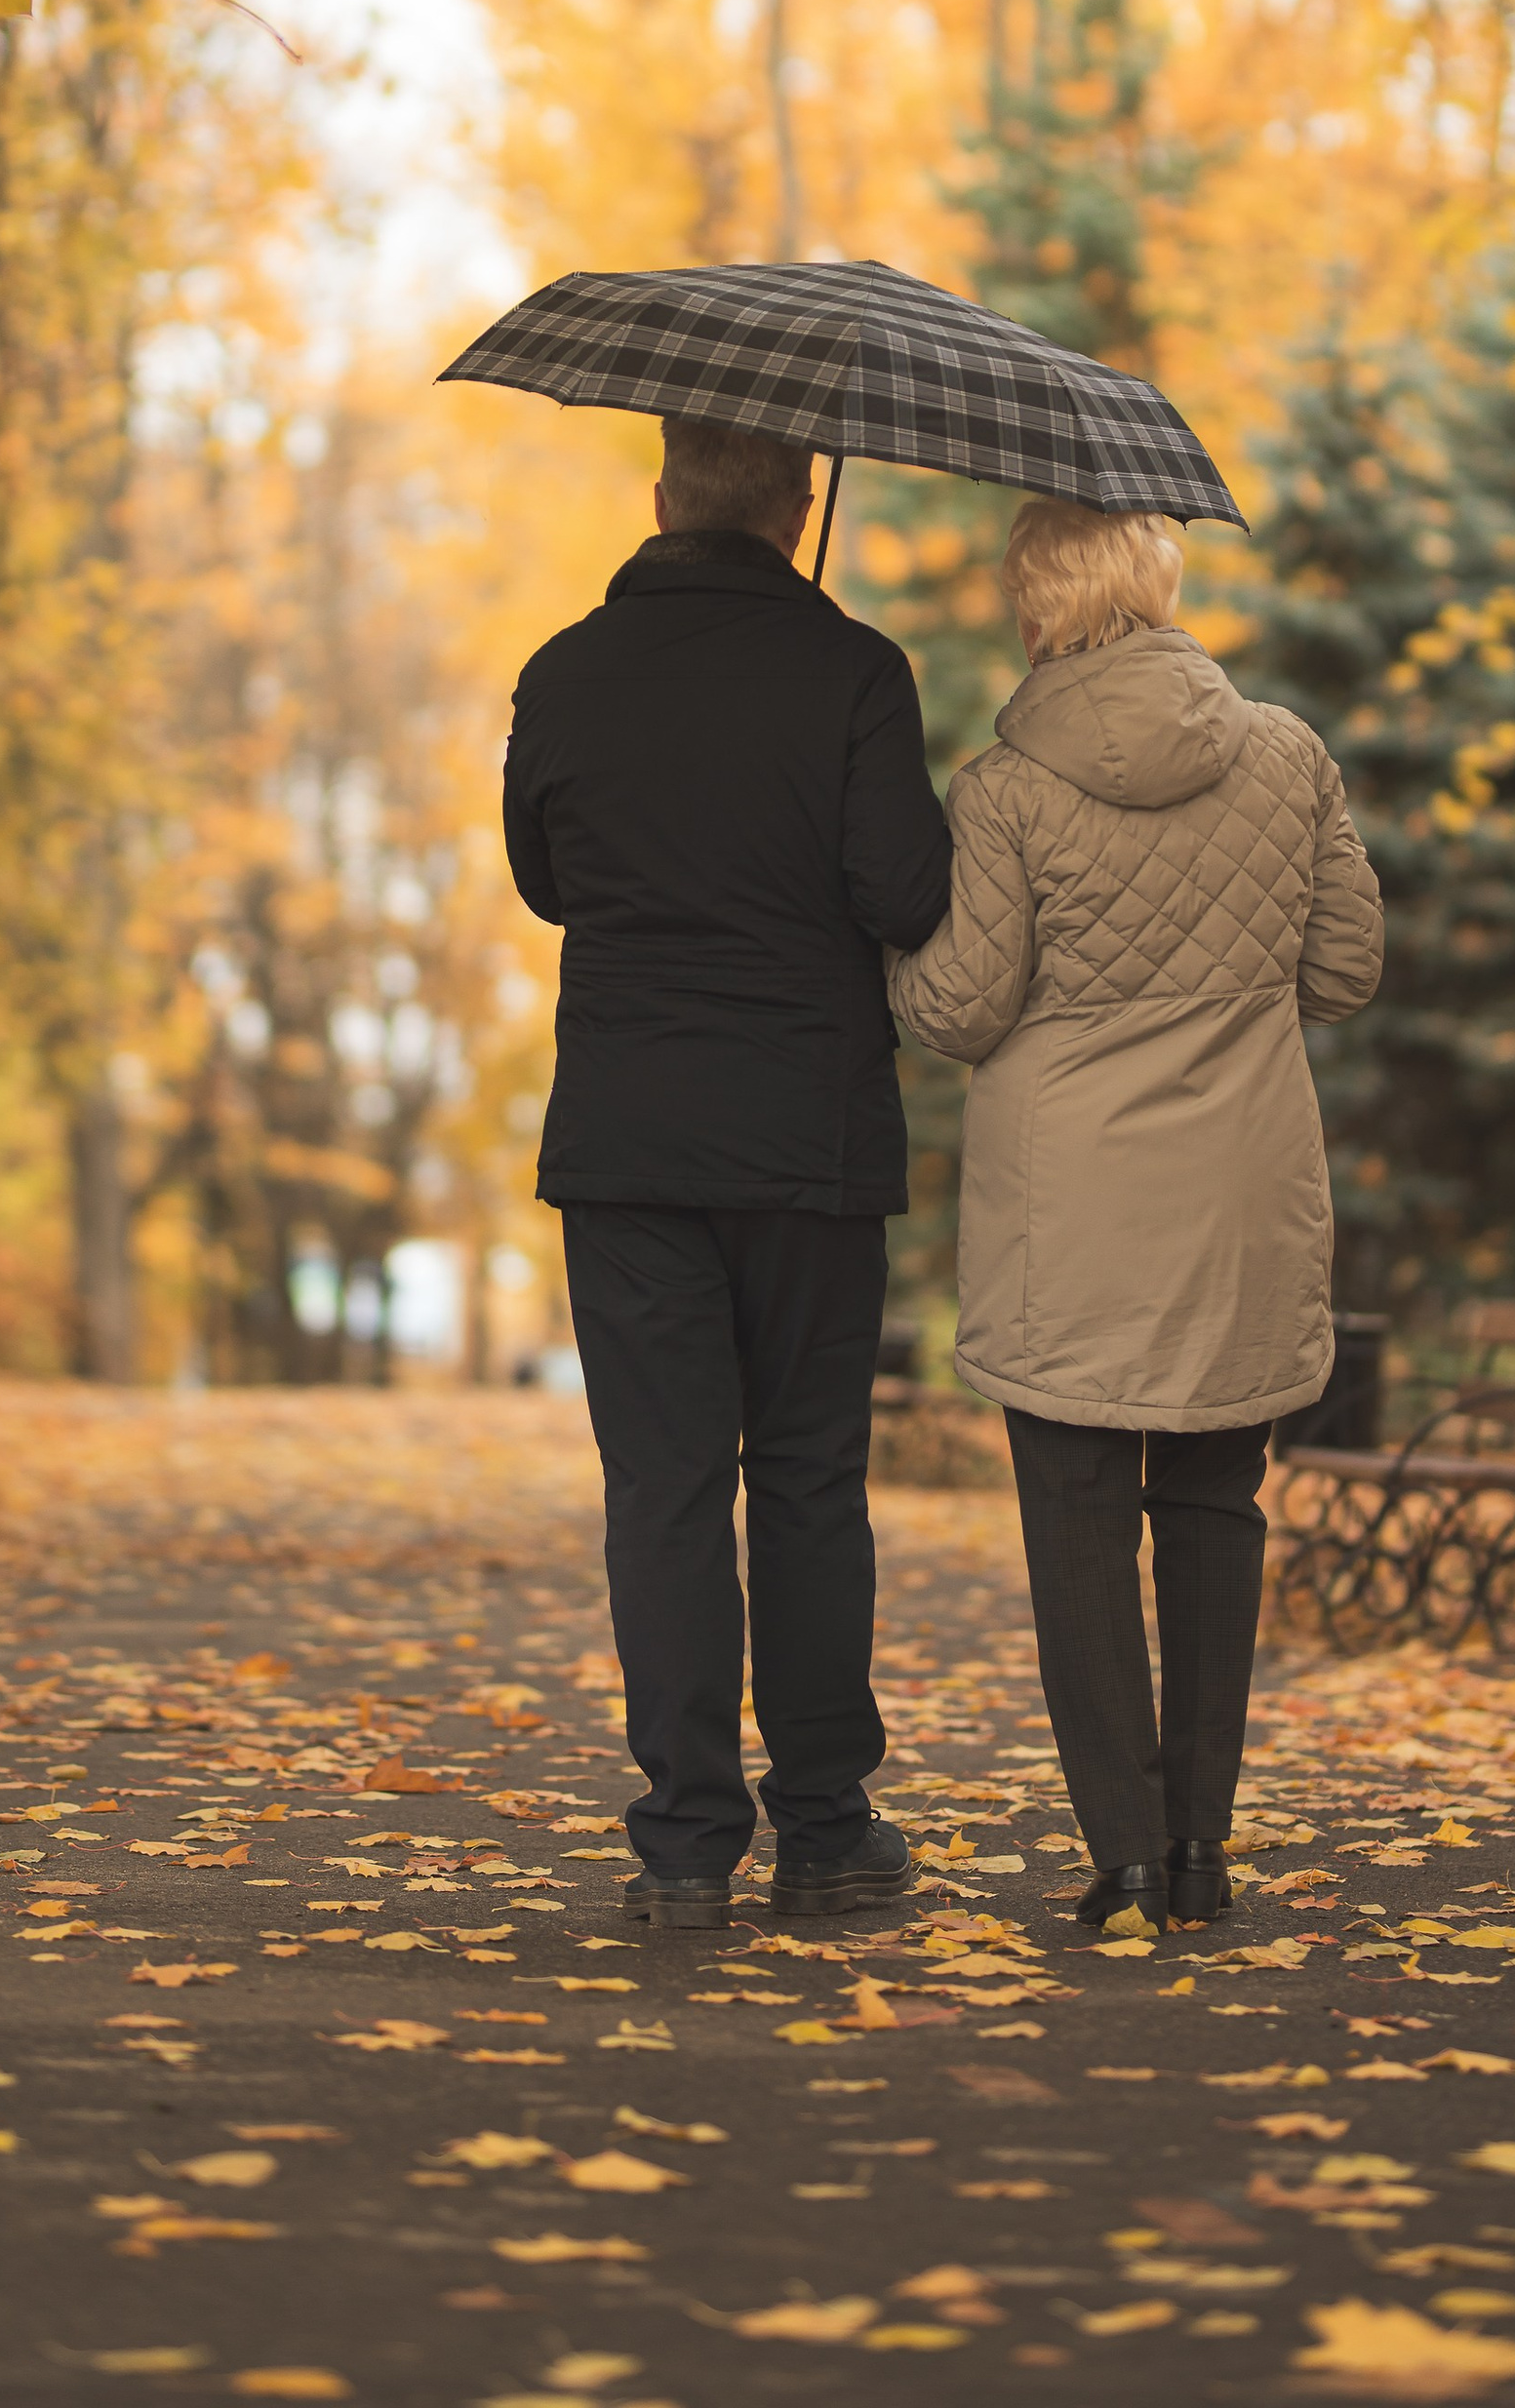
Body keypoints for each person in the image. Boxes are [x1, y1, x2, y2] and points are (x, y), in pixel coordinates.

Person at [888, 496, 1381, 1935]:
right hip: (1241, 1197)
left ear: (1036, 604)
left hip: (1070, 1214)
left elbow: (963, 1007)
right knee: (1218, 1509)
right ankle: (1205, 1853)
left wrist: (893, 963)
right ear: (1160, 584)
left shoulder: (1003, 792)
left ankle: (1121, 1848)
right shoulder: (1286, 757)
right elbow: (1345, 968)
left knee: (1081, 1521)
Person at [502, 414, 952, 1926]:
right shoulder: (855, 674)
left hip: (629, 1139)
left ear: (662, 501)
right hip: (809, 1141)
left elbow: (546, 877)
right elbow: (903, 887)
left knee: (667, 1488)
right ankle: (826, 1826)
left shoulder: (565, 671)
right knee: (810, 1481)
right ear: (798, 504)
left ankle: (686, 1844)